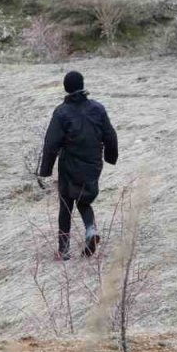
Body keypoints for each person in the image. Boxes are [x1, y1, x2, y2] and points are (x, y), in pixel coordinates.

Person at [38, 71, 118, 260]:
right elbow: (110, 135)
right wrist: (110, 157)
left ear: (66, 88)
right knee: (83, 199)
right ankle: (90, 230)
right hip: (93, 163)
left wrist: (46, 169)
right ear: (82, 85)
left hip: (69, 164)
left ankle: (64, 250)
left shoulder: (61, 112)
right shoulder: (98, 109)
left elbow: (51, 143)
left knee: (66, 205)